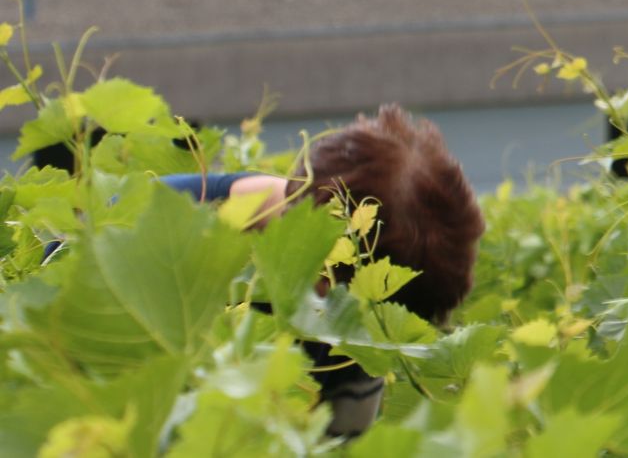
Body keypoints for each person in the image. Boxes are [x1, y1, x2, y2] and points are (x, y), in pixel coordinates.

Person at [161, 105, 486, 436]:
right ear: (323, 248)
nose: (359, 333)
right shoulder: (141, 234)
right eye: (360, 316)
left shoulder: (363, 331)